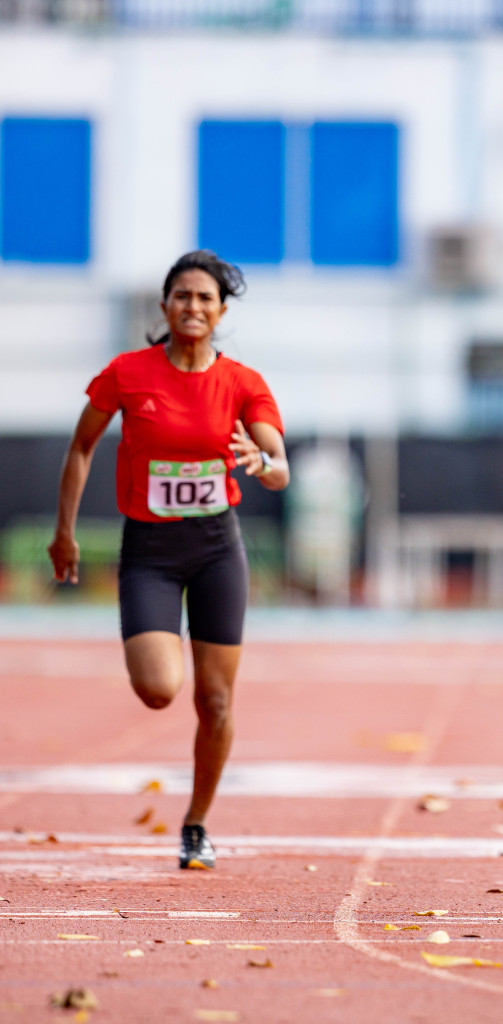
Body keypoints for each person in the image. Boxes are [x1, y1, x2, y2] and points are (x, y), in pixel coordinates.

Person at [47, 251, 289, 870]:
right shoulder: (128, 374)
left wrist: (263, 464)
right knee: (159, 690)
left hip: (216, 549)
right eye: (182, 296)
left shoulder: (243, 383)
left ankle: (196, 824)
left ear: (221, 311)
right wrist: (65, 533)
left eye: (205, 298)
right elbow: (80, 448)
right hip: (150, 551)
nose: (193, 307)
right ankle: (158, 651)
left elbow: (279, 465)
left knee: (215, 702)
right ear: (164, 306)